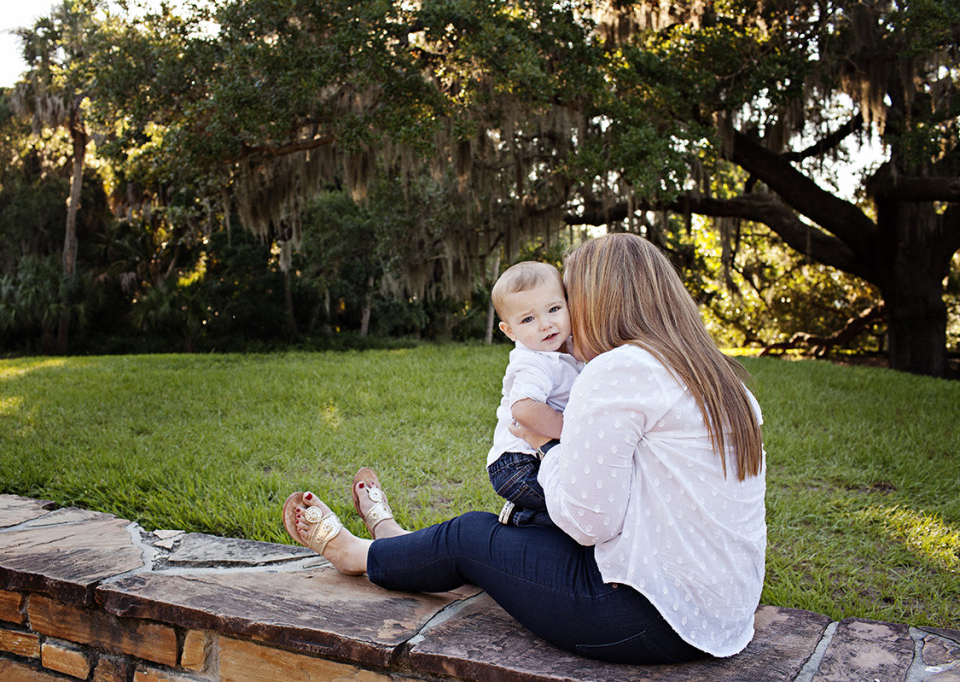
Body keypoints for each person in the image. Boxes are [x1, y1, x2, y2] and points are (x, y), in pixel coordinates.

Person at [283, 233, 766, 664]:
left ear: (600, 302)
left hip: (643, 618)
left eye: (569, 300)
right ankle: (395, 538)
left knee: (471, 535)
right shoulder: (717, 376)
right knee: (515, 532)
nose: (566, 317)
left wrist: (546, 442)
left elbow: (589, 523)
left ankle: (358, 554)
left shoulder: (619, 370)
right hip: (719, 613)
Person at [486, 261, 582, 527]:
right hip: (519, 465)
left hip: (538, 458)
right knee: (577, 506)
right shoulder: (533, 362)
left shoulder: (569, 348)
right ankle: (523, 516)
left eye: (553, 309)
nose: (545, 324)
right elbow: (524, 409)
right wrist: (571, 430)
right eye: (528, 319)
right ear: (510, 331)